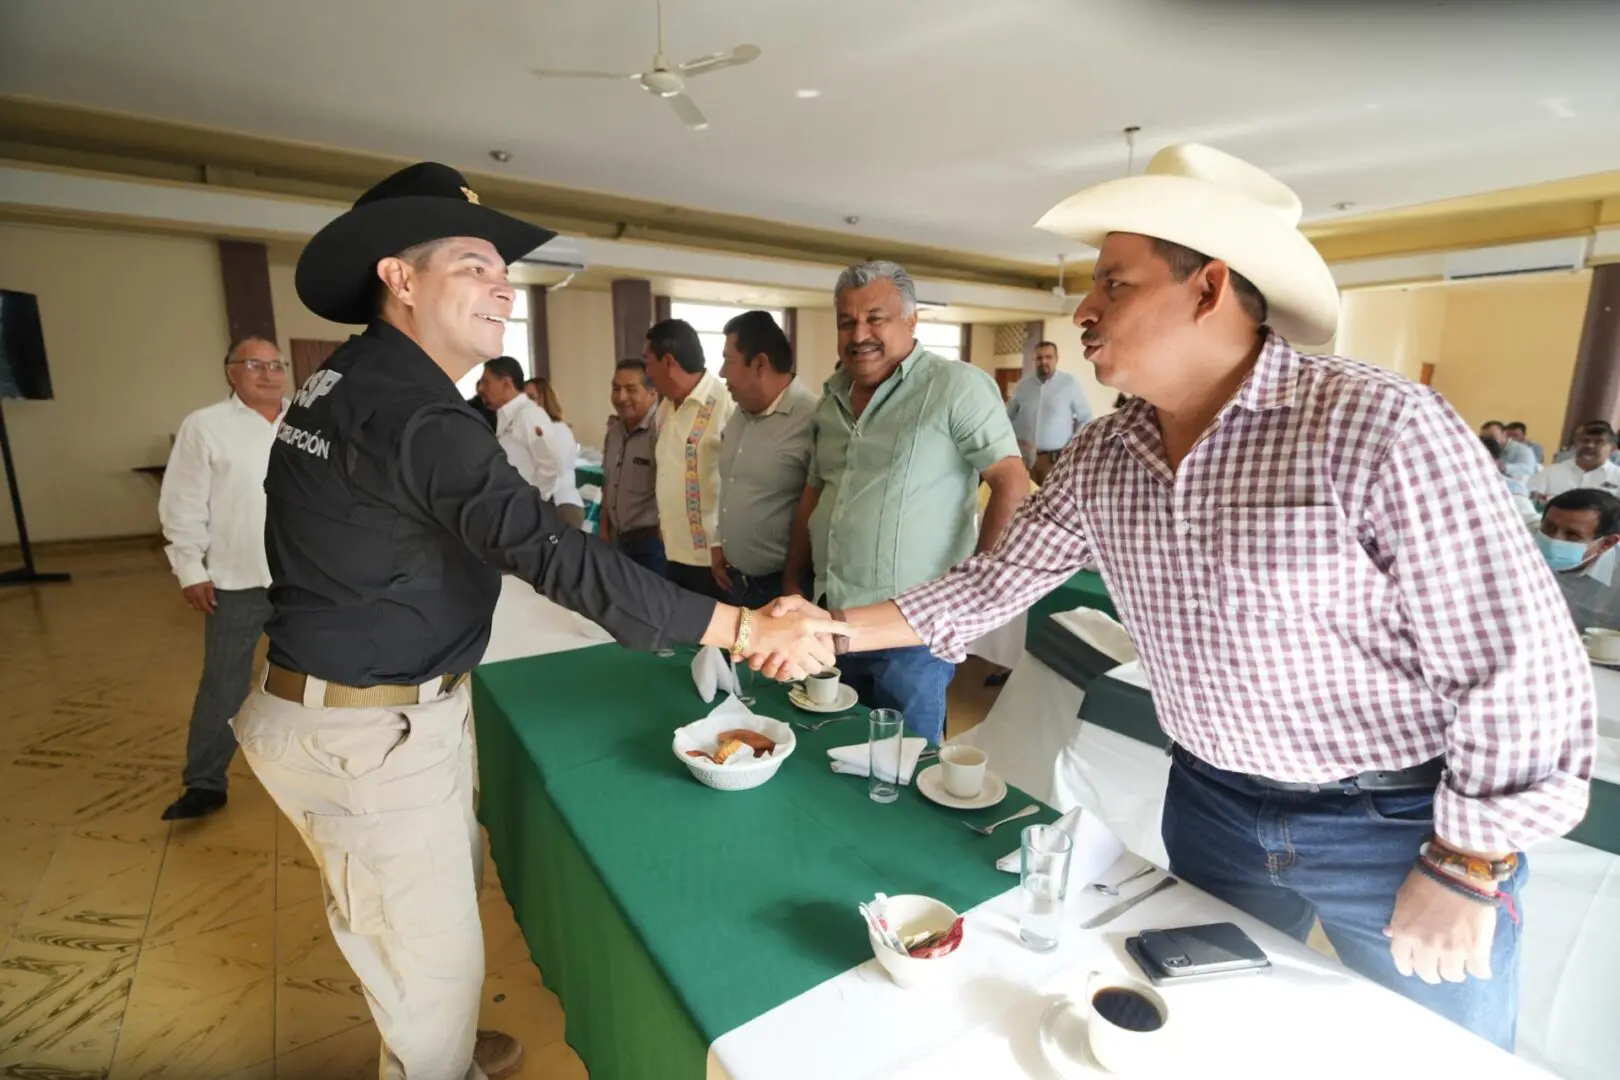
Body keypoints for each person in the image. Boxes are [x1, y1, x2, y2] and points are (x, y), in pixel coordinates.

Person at [773, 144, 1594, 1048]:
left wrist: (1469, 865)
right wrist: (831, 626)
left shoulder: (1376, 426)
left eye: (1113, 285)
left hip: (1396, 824)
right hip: (1212, 804)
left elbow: (1521, 664)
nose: (1082, 310)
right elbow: (990, 585)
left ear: (1207, 288)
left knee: (1440, 1053)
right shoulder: (1107, 453)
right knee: (1201, 1036)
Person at [236, 162, 845, 1080]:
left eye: (501, 270)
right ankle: (431, 1056)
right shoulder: (416, 415)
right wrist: (744, 628)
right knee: (423, 953)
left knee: (419, 932)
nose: (500, 285)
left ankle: (435, 1035)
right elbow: (556, 556)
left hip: (342, 703)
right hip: (367, 733)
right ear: (399, 279)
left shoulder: (345, 380)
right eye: (475, 264)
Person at [781, 260, 1028, 743]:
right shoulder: (829, 402)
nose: (860, 334)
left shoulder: (954, 387)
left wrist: (972, 590)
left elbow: (1011, 482)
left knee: (907, 765)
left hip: (912, 634)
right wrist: (794, 579)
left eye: (876, 318)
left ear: (912, 321)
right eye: (847, 322)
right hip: (829, 620)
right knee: (831, 749)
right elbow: (814, 495)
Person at [156, 336, 289, 821]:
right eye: (254, 363)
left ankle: (315, 768)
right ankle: (205, 782)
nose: (268, 373)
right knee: (224, 683)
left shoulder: (307, 421)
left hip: (309, 580)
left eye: (277, 364)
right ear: (230, 371)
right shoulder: (206, 426)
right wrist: (189, 566)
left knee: (322, 677)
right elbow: (182, 502)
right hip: (238, 579)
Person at [714, 310, 817, 607]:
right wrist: (720, 542)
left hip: (783, 589)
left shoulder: (811, 419)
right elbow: (730, 485)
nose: (721, 373)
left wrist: (792, 581)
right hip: (735, 582)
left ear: (759, 363)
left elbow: (818, 508)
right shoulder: (739, 415)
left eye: (728, 360)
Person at [644, 318, 736, 600]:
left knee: (715, 643)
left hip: (714, 560)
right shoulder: (665, 409)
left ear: (668, 362)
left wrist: (722, 543)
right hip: (673, 552)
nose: (647, 372)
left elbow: (736, 482)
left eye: (649, 362)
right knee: (682, 641)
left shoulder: (725, 404)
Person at [476, 355, 585, 527]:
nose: (481, 388)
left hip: (534, 511)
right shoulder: (508, 416)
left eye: (487, 382)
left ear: (506, 383)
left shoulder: (528, 414)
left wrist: (533, 500)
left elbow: (551, 464)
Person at [601, 358, 664, 574]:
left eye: (630, 389)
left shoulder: (662, 431)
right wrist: (603, 529)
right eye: (616, 388)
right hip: (617, 541)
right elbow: (608, 483)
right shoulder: (614, 433)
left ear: (652, 392)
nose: (621, 397)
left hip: (652, 546)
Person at [1006, 339, 1091, 484]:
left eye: (1049, 357)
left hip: (1054, 460)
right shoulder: (1023, 384)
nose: (1043, 361)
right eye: (1039, 358)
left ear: (1056, 359)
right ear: (1034, 360)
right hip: (1024, 458)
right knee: (1023, 501)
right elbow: (1007, 417)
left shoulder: (1069, 384)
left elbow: (1086, 418)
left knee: (1050, 503)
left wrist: (1071, 446)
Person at [1536, 488, 1620, 632]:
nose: (1554, 540)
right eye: (1549, 527)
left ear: (1606, 544)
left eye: (1572, 535)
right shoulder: (1520, 555)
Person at [1529, 421, 1620, 501]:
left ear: (1612, 448)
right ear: (1576, 444)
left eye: (1598, 442)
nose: (1590, 445)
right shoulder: (1549, 473)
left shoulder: (1617, 476)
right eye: (1585, 440)